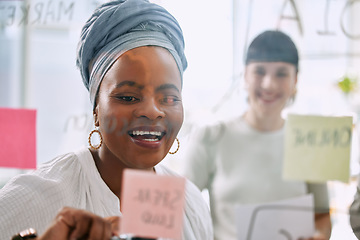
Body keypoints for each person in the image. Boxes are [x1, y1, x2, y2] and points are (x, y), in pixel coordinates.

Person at [0, 0, 213, 239]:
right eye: (128, 97)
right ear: (96, 110)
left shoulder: (191, 204)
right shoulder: (36, 196)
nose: (153, 111)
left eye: (170, 98)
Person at [180, 30, 332, 240]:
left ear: (295, 80)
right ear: (245, 76)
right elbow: (180, 212)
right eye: (260, 71)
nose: (269, 84)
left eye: (281, 73)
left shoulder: (307, 141)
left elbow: (322, 218)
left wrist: (320, 236)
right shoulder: (210, 137)